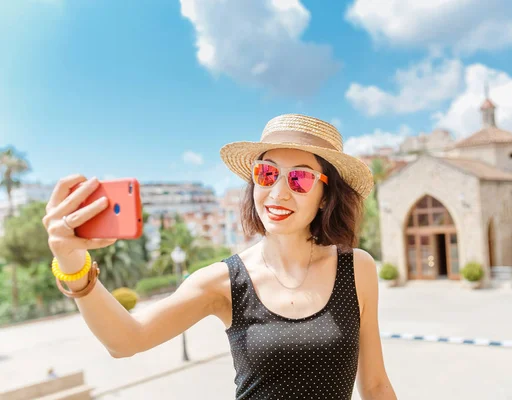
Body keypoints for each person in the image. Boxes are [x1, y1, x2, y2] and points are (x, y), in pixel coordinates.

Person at [42, 113, 397, 399]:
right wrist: (71, 260)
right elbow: (125, 341)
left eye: (300, 179)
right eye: (267, 173)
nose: (278, 192)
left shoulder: (357, 268)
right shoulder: (224, 281)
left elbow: (376, 386)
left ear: (324, 196)